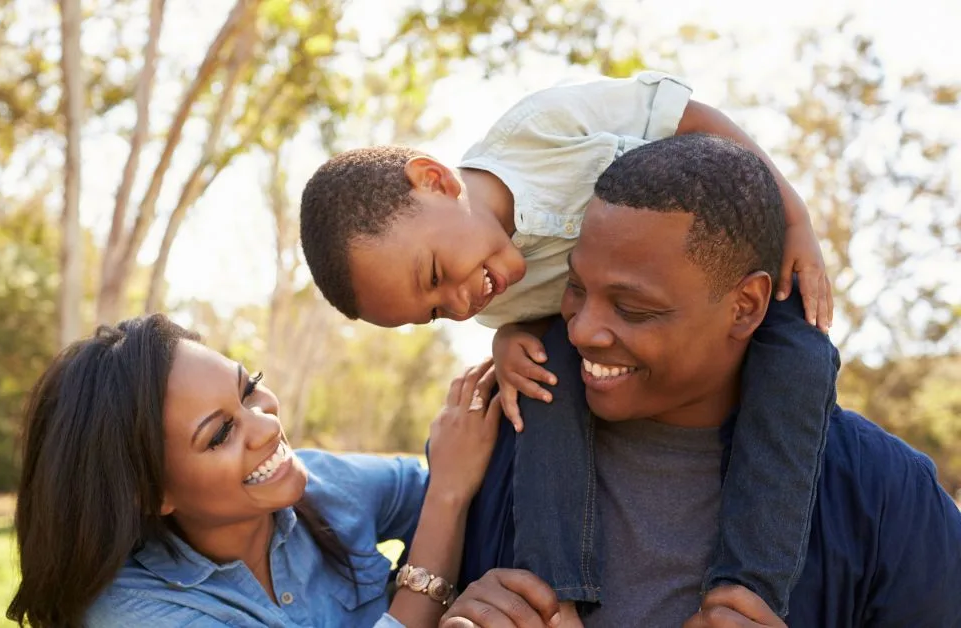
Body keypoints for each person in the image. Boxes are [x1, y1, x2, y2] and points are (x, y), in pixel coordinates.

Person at [298, 72, 836, 618]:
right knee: (542, 381)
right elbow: (543, 321)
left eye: (436, 274)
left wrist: (795, 220)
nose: (460, 306)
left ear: (434, 180)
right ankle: (551, 595)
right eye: (436, 312)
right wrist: (512, 339)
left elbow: (691, 116)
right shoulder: (494, 296)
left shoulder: (540, 130)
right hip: (622, 342)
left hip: (724, 276)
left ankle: (746, 595)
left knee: (804, 359)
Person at [445, 134, 961, 627]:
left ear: (747, 306)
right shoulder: (489, 447)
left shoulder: (887, 496)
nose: (580, 331)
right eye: (576, 288)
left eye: (632, 308)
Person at [5, 314, 534, 627]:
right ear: (151, 493)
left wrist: (520, 340)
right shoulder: (133, 611)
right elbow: (449, 491)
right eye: (219, 434)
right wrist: (445, 503)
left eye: (248, 388)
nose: (263, 427)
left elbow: (473, 483)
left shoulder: (327, 484)